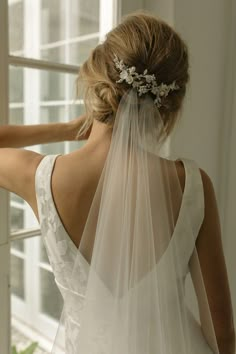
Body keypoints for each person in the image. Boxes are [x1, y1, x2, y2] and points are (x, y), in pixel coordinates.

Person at [0, 12, 235, 354]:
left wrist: (65, 129)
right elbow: (222, 332)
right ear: (168, 104)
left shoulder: (40, 177)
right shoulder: (193, 186)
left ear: (97, 84)